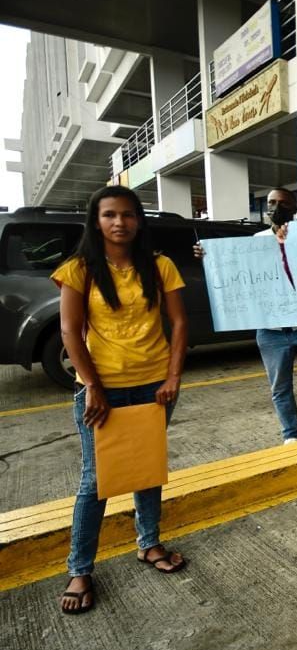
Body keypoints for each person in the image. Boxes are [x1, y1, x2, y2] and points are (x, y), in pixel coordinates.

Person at [52, 185, 190, 614]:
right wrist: (92, 385)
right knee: (95, 483)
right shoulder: (79, 269)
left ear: (139, 221)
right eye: (109, 214)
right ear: (96, 221)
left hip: (154, 387)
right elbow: (69, 332)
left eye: (128, 214)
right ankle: (80, 569)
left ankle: (149, 544)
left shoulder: (160, 265)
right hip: (102, 391)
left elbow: (179, 322)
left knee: (147, 471)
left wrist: (172, 376)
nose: (119, 222)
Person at [195, 187, 297, 449]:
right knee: (280, 387)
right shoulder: (256, 241)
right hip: (271, 330)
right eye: (272, 202)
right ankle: (291, 436)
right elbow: (234, 273)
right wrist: (209, 257)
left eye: (283, 203)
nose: (276, 207)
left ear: (295, 208)